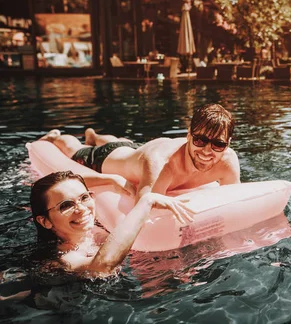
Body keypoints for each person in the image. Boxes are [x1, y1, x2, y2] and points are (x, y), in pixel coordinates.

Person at [39, 103, 241, 201]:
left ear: (228, 144)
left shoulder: (229, 162)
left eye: (218, 144)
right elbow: (144, 209)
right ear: (188, 135)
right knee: (76, 149)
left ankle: (95, 136)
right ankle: (55, 136)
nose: (207, 151)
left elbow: (234, 202)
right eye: (200, 140)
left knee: (123, 144)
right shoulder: (162, 165)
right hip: (106, 158)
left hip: (133, 151)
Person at [30, 171, 193, 274]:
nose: (81, 209)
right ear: (45, 222)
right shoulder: (61, 259)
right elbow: (102, 266)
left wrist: (109, 178)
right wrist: (146, 202)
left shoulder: (93, 231)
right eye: (66, 205)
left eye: (84, 197)